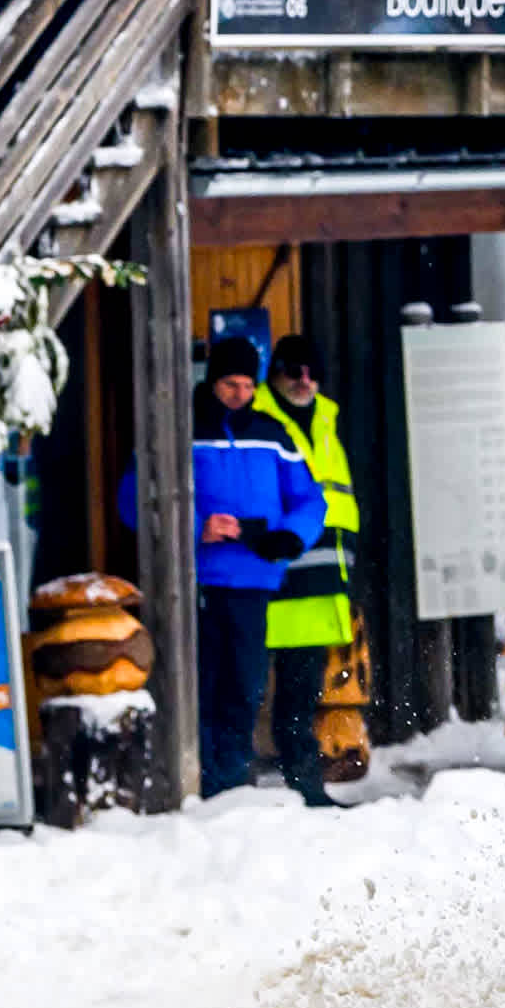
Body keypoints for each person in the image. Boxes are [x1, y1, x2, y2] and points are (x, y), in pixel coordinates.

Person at [182, 330, 328, 806]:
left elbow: (310, 499)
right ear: (212, 381)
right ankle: (204, 784)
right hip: (195, 581)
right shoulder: (183, 427)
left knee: (245, 686)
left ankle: (232, 782)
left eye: (247, 385)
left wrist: (292, 535)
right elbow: (139, 497)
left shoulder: (272, 433)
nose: (239, 394)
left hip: (254, 579)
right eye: (230, 384)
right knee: (202, 685)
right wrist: (197, 528)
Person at [248, 338, 361, 801]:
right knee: (243, 691)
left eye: (313, 372)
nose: (305, 381)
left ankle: (304, 787)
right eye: (294, 370)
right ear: (274, 372)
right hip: (267, 575)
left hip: (319, 582)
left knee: (301, 694)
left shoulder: (326, 419)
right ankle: (235, 791)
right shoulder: (255, 418)